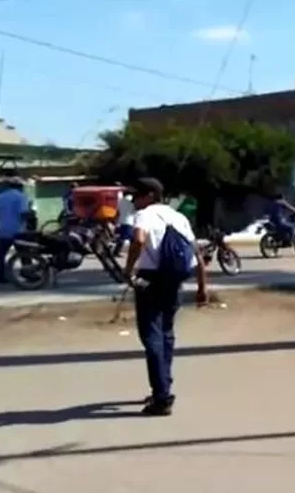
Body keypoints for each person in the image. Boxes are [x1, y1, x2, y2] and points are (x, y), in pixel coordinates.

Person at [122, 177, 207, 416]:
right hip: (174, 279)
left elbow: (138, 239)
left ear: (150, 195)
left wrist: (128, 270)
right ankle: (163, 386)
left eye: (136, 195)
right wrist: (202, 287)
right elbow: (197, 254)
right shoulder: (178, 217)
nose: (133, 200)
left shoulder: (145, 214)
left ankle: (162, 397)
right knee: (166, 334)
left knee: (151, 336)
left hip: (150, 279)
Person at [0, 178, 31, 283]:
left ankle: (0, 275)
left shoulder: (1, 196)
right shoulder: (21, 197)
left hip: (2, 229)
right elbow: (24, 213)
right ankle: (28, 273)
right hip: (18, 230)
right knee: (25, 253)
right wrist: (28, 225)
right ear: (20, 187)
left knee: (1, 255)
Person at [114, 188, 136, 256]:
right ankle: (117, 251)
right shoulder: (132, 200)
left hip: (122, 220)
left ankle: (116, 251)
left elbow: (118, 211)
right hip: (130, 221)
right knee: (131, 238)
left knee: (122, 237)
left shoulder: (120, 201)